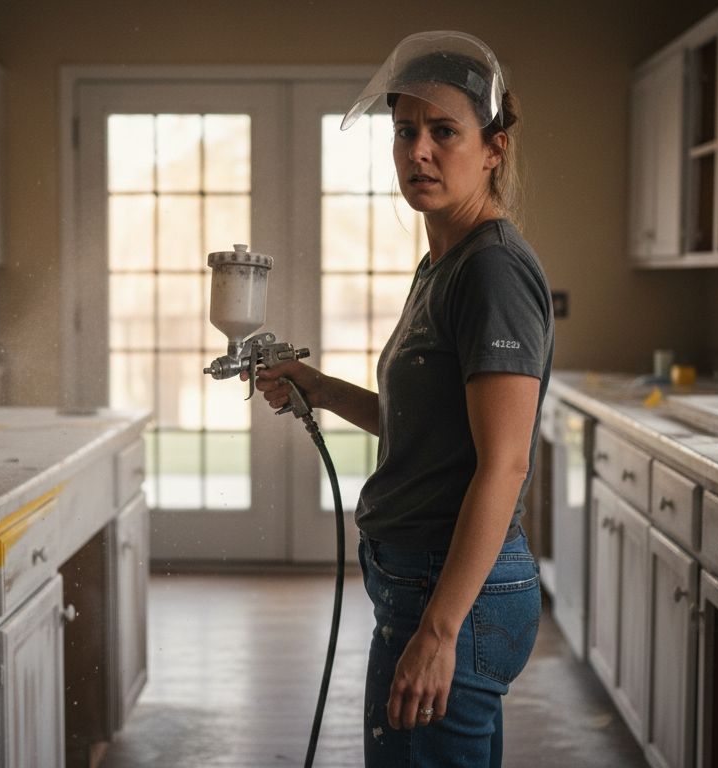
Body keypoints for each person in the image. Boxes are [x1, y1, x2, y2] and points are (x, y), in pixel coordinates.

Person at [254, 30, 554, 767]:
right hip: (428, 582)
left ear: (493, 148)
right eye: (405, 132)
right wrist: (318, 388)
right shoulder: (441, 265)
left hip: (453, 592)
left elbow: (505, 465)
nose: (419, 151)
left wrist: (440, 631)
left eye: (443, 132)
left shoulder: (492, 273)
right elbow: (426, 428)